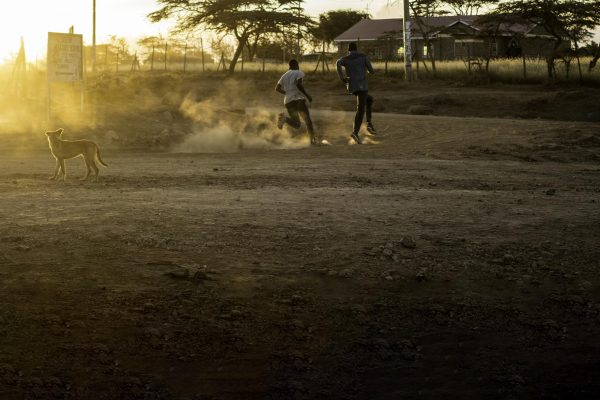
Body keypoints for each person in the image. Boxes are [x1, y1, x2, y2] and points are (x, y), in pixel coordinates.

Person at [336, 42, 377, 144]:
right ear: (356, 49)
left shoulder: (345, 59)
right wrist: (368, 70)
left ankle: (369, 124)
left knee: (369, 99)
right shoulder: (363, 57)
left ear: (348, 50)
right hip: (362, 86)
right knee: (361, 108)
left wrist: (342, 78)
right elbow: (371, 71)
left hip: (351, 86)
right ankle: (355, 132)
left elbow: (338, 62)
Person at [275, 59, 317, 145]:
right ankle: (312, 141)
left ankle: (285, 119)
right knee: (307, 120)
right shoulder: (298, 72)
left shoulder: (284, 75)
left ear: (289, 66)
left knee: (297, 124)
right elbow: (298, 84)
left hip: (288, 101)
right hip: (298, 100)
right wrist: (307, 95)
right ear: (297, 65)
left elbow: (277, 88)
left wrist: (287, 93)